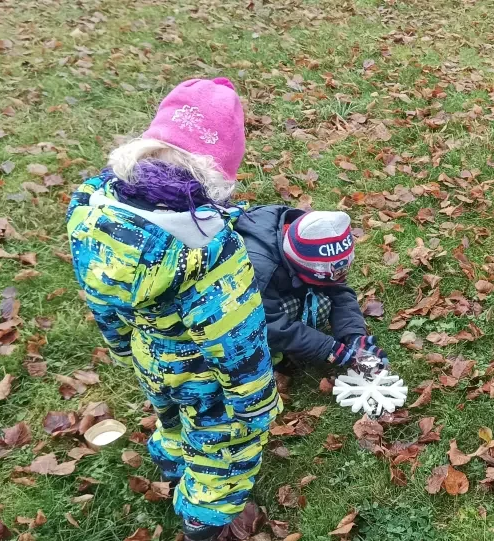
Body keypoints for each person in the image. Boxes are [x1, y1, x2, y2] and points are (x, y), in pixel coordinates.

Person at [66, 78, 280, 541]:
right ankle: (205, 516)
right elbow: (236, 339)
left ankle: (170, 459)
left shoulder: (93, 209)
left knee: (169, 412)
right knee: (221, 442)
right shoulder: (210, 248)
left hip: (149, 353)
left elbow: (99, 297)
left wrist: (121, 344)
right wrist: (257, 404)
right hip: (202, 372)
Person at [235, 205, 389, 370]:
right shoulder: (256, 269)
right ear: (299, 266)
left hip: (284, 283)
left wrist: (354, 336)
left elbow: (339, 290)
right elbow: (267, 323)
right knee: (260, 329)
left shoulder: (317, 233)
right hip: (240, 308)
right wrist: (329, 349)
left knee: (322, 305)